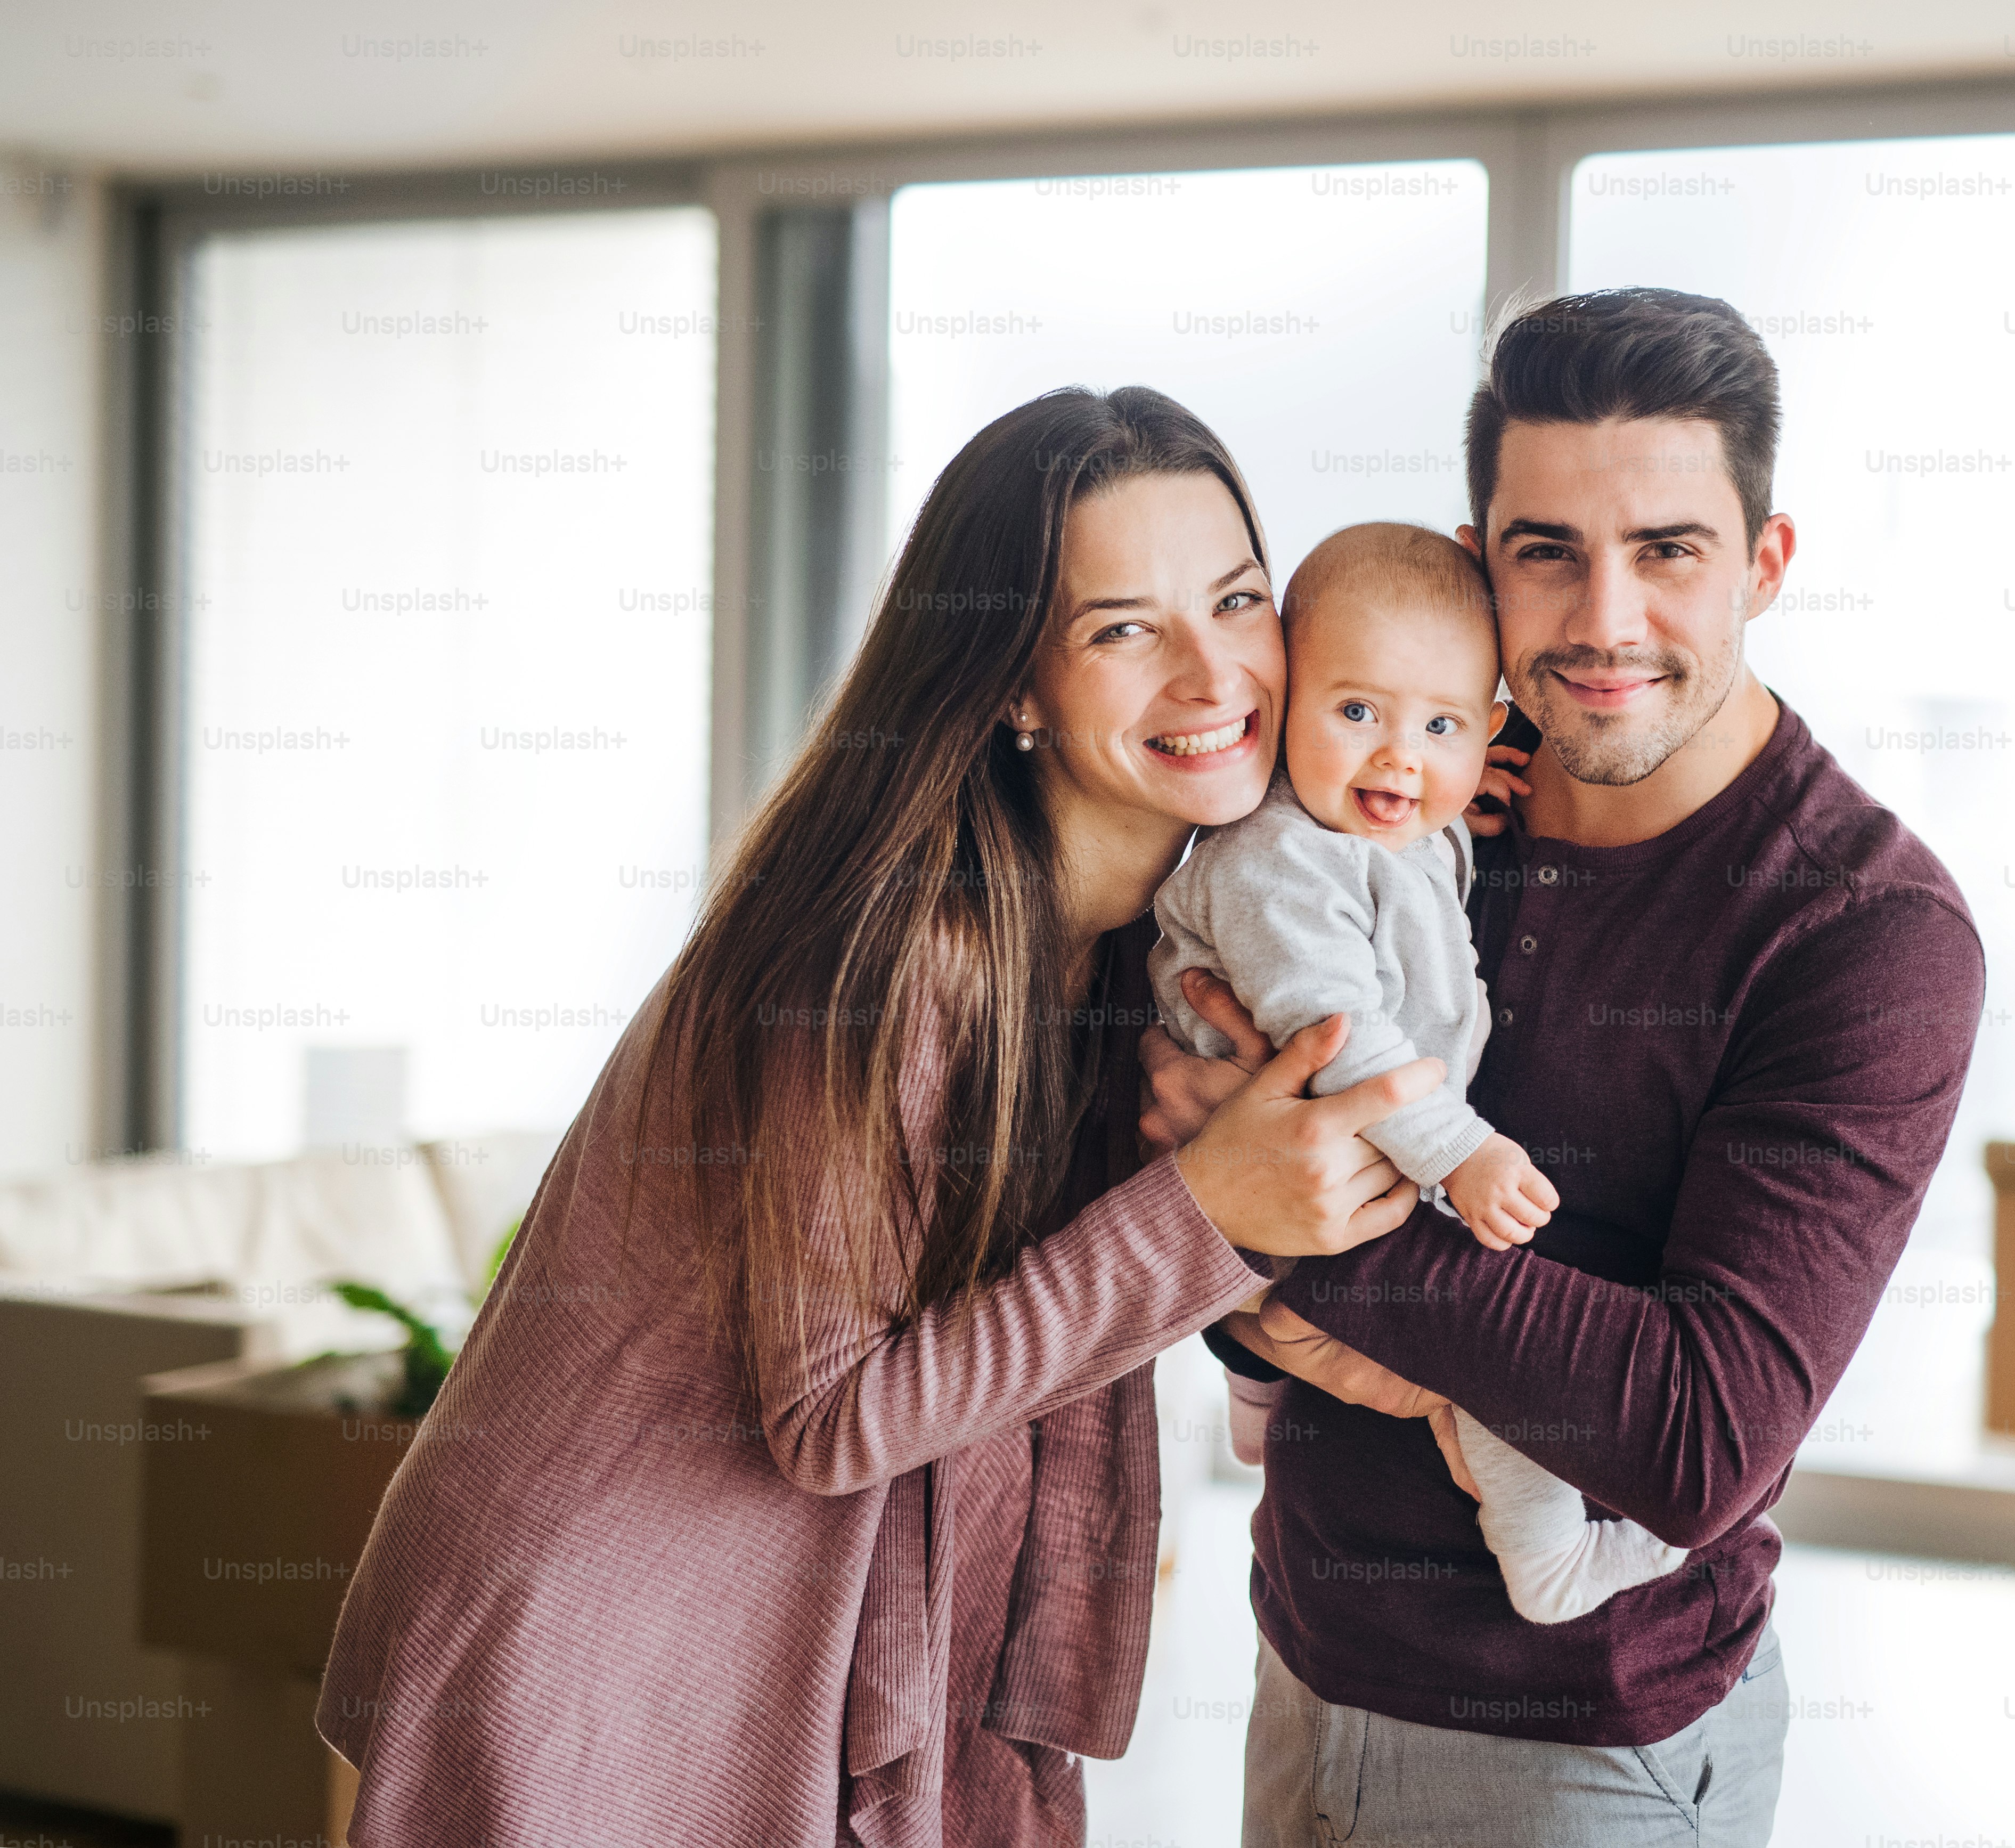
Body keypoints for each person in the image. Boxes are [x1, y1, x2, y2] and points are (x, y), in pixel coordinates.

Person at [315, 385, 1441, 1848]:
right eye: (1122, 630)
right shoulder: (894, 952)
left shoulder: (1142, 949)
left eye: (1235, 600)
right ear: (1014, 685)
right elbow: (837, 1413)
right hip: (605, 1647)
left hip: (773, 1621)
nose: (1213, 670)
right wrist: (1205, 1210)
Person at [1143, 289, 1989, 1845]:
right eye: (1547, 552)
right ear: (1481, 563)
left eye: (1666, 550)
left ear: (1764, 564)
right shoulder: (1401, 803)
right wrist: (1223, 1233)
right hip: (1300, 1661)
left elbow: (1694, 1436)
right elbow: (1174, 1188)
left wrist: (1264, 1206)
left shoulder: (1862, 931)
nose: (1604, 618)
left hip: (1585, 1752)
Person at [1151, 519, 1688, 1625]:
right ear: (1283, 702)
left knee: (1350, 1339)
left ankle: (1257, 1395)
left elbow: (1407, 896)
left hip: (1316, 1178)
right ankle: (1547, 1561)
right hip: (1305, 1164)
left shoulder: (1400, 826)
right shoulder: (1280, 859)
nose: (1398, 756)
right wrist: (1464, 1151)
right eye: (1356, 713)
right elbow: (1334, 1027)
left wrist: (1456, 811)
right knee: (1493, 1366)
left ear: (1487, 729)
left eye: (1439, 726)